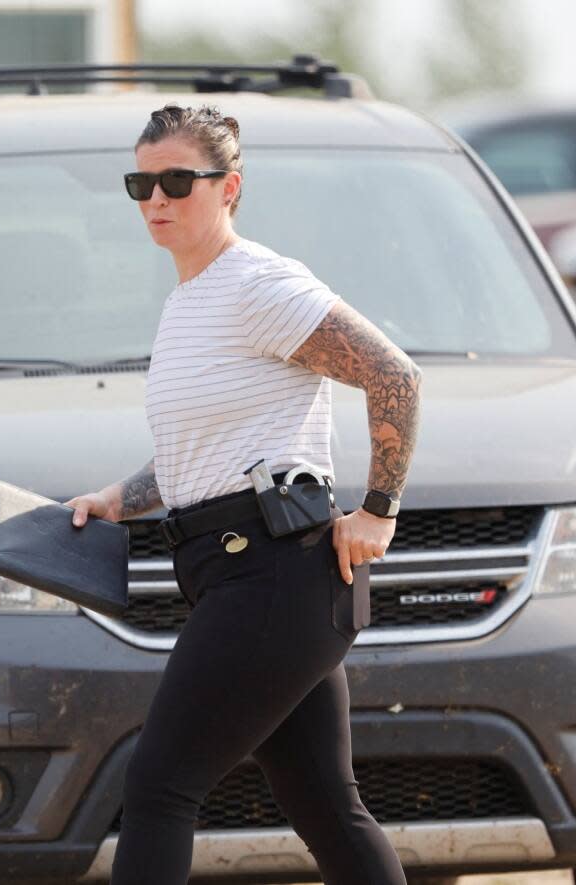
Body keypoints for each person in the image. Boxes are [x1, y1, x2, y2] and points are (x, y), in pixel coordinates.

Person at [67, 104, 422, 885]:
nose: (155, 199)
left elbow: (393, 374)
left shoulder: (259, 283)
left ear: (229, 187)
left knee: (160, 783)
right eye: (140, 182)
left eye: (175, 181)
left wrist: (379, 509)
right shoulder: (189, 300)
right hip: (245, 574)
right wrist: (120, 498)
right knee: (325, 802)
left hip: (275, 574)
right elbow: (208, 453)